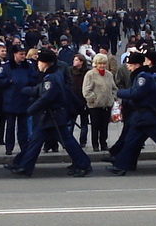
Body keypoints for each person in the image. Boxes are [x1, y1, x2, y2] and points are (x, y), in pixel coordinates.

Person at [7, 48, 92, 177]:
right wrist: (25, 90)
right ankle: (25, 166)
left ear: (45, 63)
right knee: (36, 142)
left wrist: (31, 110)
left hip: (54, 116)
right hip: (50, 116)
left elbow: (46, 97)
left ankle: (83, 164)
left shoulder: (51, 78)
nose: (38, 64)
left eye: (39, 62)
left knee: (67, 142)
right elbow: (39, 90)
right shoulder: (51, 75)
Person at [82, 52, 117, 152]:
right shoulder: (90, 74)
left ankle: (103, 143)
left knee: (104, 126)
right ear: (96, 64)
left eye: (104, 63)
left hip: (106, 105)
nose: (102, 66)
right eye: (100, 63)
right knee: (95, 126)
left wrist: (112, 97)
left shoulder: (109, 75)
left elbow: (114, 88)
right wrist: (93, 99)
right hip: (95, 106)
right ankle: (95, 144)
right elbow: (86, 90)